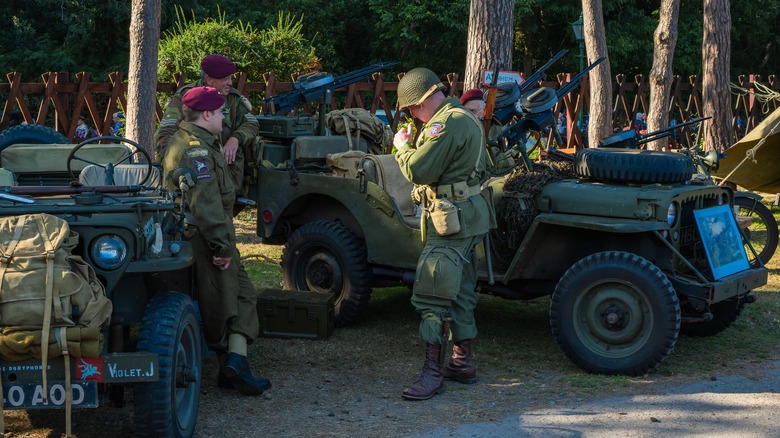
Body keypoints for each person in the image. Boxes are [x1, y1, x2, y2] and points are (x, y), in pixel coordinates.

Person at [393, 68, 495, 401]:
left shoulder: (446, 122)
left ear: (421, 101)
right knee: (463, 287)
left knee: (433, 290)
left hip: (449, 222)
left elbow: (418, 169)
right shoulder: (465, 116)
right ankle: (462, 362)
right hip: (468, 216)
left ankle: (432, 371)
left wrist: (401, 148)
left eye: (410, 109)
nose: (411, 115)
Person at [162, 86, 271, 396]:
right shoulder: (195, 150)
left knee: (244, 294)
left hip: (214, 237)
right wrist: (221, 248)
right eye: (221, 112)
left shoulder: (201, 143)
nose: (225, 118)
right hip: (206, 240)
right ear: (206, 114)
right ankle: (231, 366)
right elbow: (207, 206)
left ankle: (235, 363)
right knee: (223, 304)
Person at [156, 53, 259, 200]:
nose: (230, 83)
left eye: (231, 77)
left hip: (225, 177)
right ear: (209, 80)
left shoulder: (232, 98)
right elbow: (165, 134)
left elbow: (252, 123)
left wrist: (236, 139)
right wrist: (177, 170)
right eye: (225, 79)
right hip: (193, 178)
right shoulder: (187, 97)